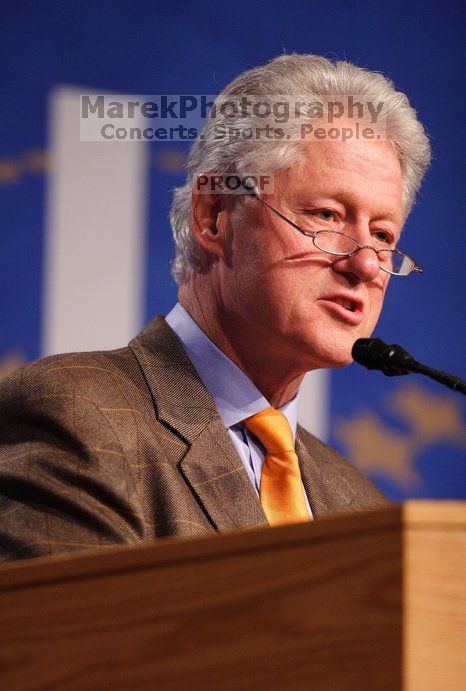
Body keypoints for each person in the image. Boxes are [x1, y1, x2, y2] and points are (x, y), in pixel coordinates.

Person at [0, 54, 431, 562]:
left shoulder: (360, 507)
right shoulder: (77, 418)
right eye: (327, 215)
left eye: (384, 236)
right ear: (214, 217)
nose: (364, 263)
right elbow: (73, 640)